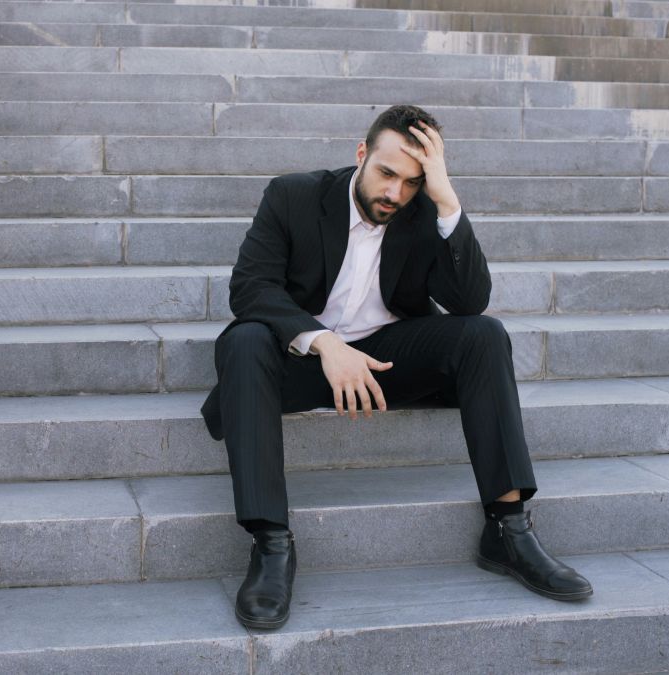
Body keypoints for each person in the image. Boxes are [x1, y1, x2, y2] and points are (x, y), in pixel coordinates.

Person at [200, 104, 593, 630]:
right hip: (300, 361)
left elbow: (469, 301)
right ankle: (271, 546)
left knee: (484, 334)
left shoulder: (423, 209)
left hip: (384, 361)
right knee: (246, 340)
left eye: (411, 182)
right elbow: (250, 288)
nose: (395, 193)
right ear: (362, 153)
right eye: (387, 173)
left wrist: (446, 200)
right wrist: (325, 344)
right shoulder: (293, 195)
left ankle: (508, 529)